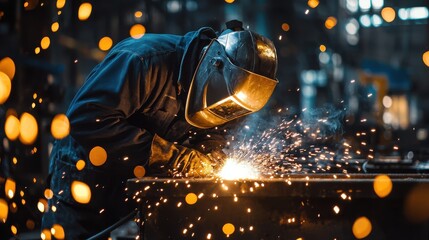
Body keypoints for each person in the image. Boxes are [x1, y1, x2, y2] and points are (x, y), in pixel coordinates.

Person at [41, 20, 278, 239]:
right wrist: (174, 159)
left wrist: (213, 161)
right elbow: (86, 120)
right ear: (214, 63)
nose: (228, 113)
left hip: (136, 199)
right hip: (84, 189)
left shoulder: (233, 100)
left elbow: (214, 142)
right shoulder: (143, 60)